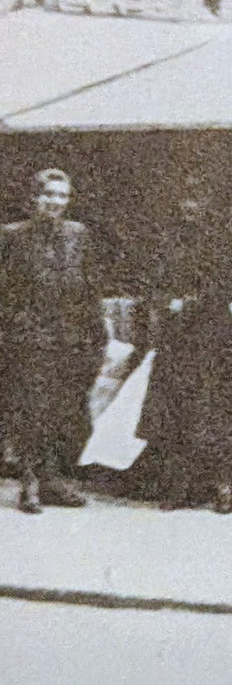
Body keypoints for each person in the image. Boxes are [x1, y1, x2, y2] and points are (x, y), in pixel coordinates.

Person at [137, 179, 232, 513]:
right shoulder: (168, 241)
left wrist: (187, 303)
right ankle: (179, 485)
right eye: (185, 199)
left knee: (212, 411)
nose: (190, 206)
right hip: (175, 340)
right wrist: (163, 304)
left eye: (197, 199)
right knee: (176, 412)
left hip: (211, 337)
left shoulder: (221, 242)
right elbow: (153, 281)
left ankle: (223, 486)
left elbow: (225, 285)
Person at [0, 169, 108, 514]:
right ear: (33, 198)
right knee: (33, 409)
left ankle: (52, 479)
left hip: (71, 336)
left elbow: (90, 286)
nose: (55, 202)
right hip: (29, 337)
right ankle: (29, 482)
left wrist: (95, 332)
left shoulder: (79, 234)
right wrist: (15, 326)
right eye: (48, 194)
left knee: (65, 409)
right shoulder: (12, 236)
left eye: (62, 196)